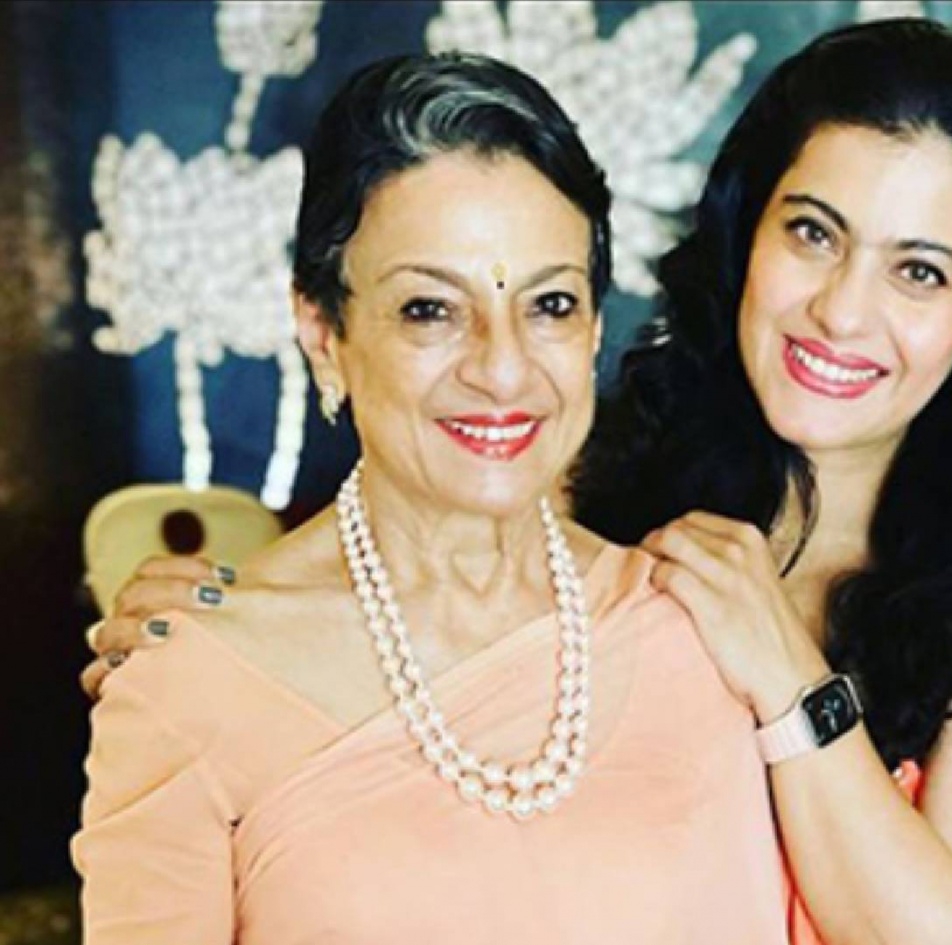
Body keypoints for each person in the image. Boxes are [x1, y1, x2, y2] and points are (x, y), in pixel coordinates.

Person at [83, 19, 952, 945]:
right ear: (747, 237)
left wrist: (789, 676)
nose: (841, 309)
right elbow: (408, 597)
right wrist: (219, 638)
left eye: (919, 271)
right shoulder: (594, 475)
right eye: (813, 234)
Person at [74, 52, 819, 944]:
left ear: (592, 328)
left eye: (549, 304)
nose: (502, 367)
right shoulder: (190, 679)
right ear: (323, 332)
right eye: (430, 309)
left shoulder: (698, 627)